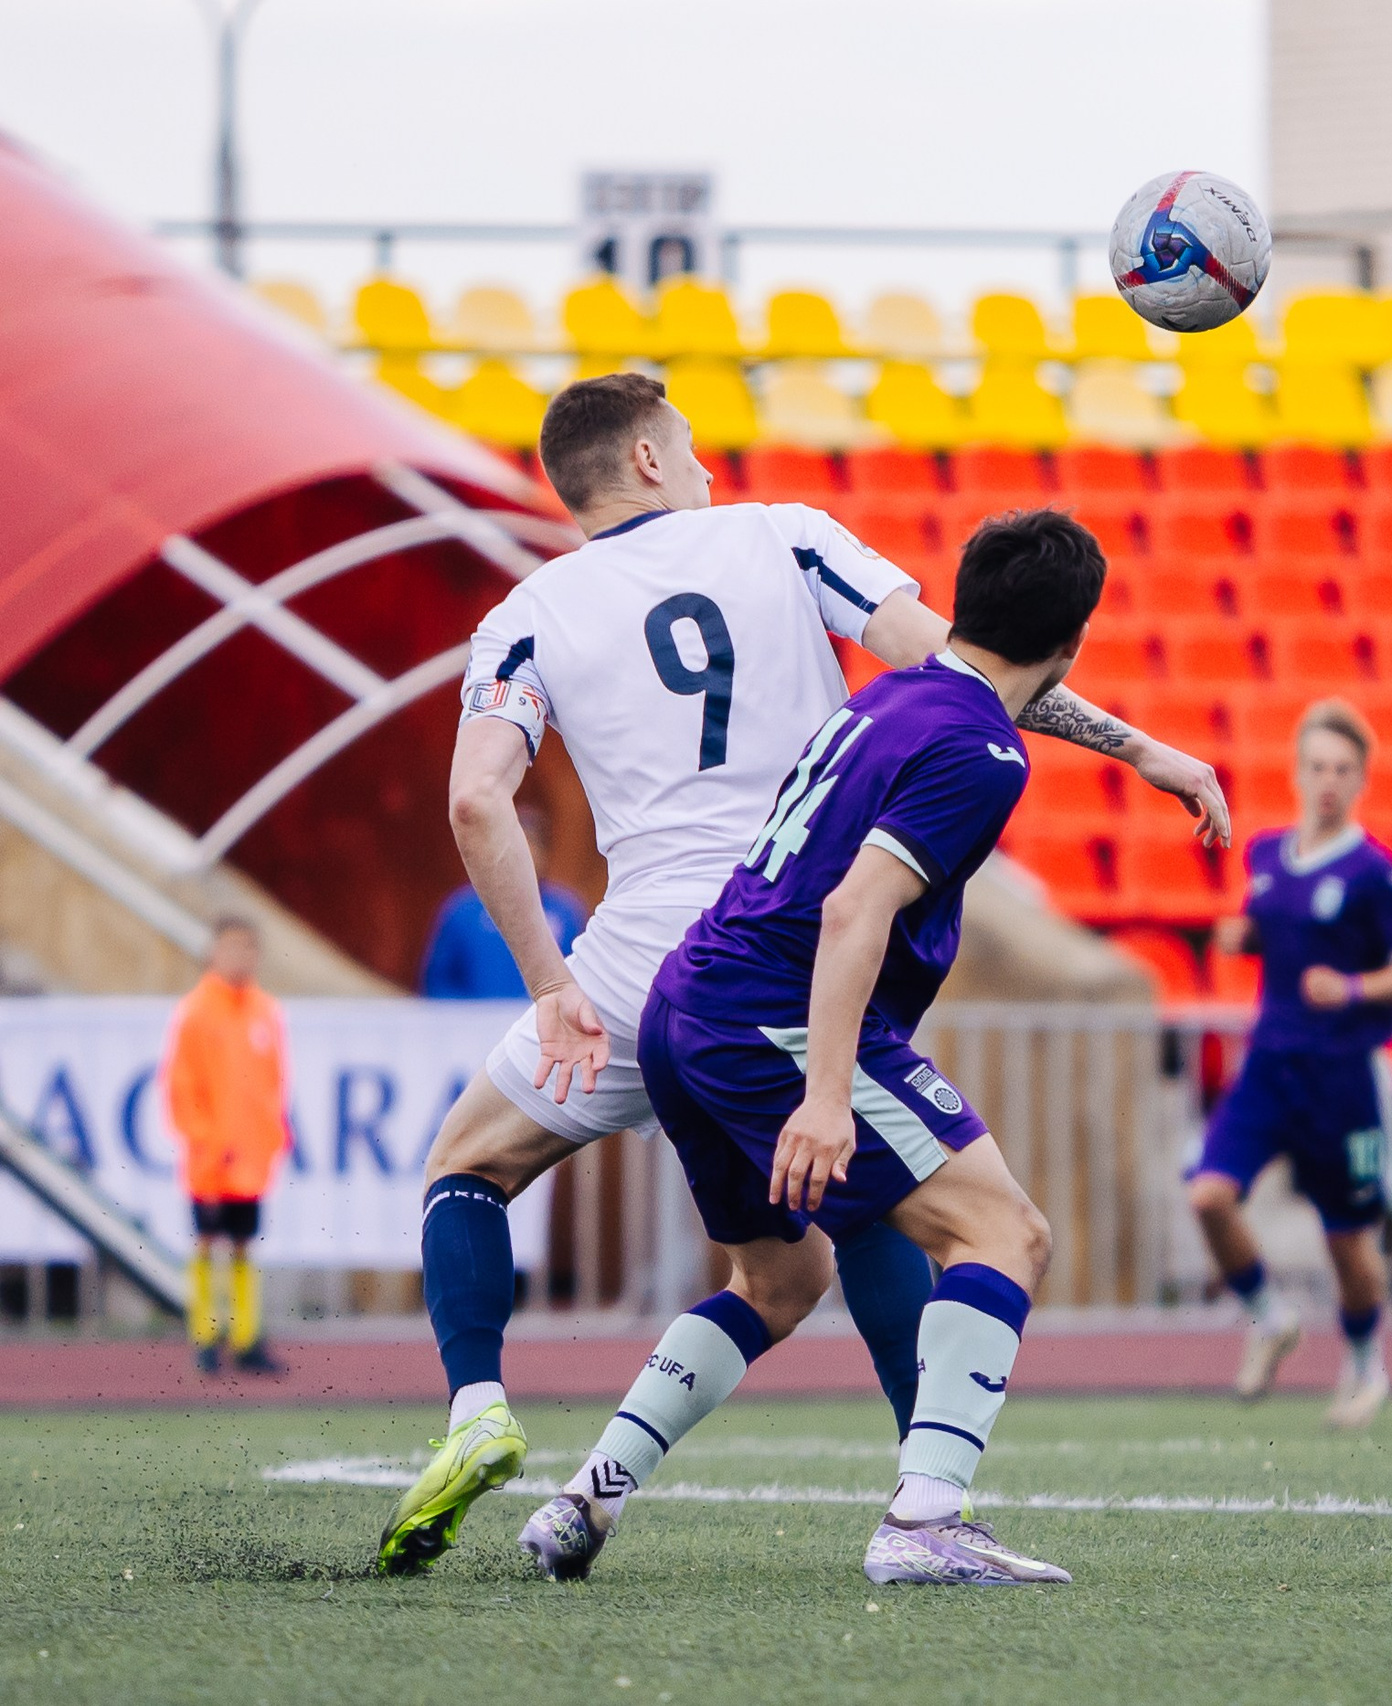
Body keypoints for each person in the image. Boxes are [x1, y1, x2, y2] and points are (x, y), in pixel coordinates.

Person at [377, 374, 1229, 1575]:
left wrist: (548, 979)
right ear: (653, 458)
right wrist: (1138, 744)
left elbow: (476, 798)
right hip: (791, 926)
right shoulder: (782, 535)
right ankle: (925, 1500)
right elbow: (963, 670)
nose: (712, 469)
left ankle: (483, 1412)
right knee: (911, 1207)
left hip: (636, 968)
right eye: (693, 450)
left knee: (476, 1169)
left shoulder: (526, 611)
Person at [517, 509, 1102, 1587]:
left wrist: (1149, 749)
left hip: (684, 1001)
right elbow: (854, 911)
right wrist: (826, 1094)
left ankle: (581, 1502)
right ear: (1072, 645)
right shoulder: (982, 750)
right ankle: (926, 1520)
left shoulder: (886, 696)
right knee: (1005, 1232)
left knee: (779, 1278)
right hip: (773, 1012)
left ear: (959, 603)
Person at [1189, 700, 1392, 1431]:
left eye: (1343, 769)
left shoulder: (1376, 875)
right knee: (1209, 1195)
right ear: (1298, 773)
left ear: (1360, 780)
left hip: (1343, 1075)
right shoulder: (1266, 854)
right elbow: (1279, 929)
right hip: (1271, 1063)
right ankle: (1269, 1316)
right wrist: (1247, 938)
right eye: (1318, 766)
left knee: (1346, 1239)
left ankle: (1365, 1365)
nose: (1328, 780)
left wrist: (1353, 987)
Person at [162, 917, 290, 1376]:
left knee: (242, 1244)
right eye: (231, 947)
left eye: (247, 948)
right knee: (205, 1242)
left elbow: (274, 1083)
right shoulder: (197, 1012)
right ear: (213, 954)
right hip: (211, 1157)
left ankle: (245, 1336)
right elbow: (182, 1086)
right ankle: (204, 1335)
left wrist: (273, 1137)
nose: (240, 957)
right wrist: (204, 1143)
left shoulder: (264, 1012)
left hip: (252, 1157)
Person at [418, 803, 585, 997]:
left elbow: (582, 975)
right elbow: (439, 981)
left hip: (541, 1021)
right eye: (518, 844)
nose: (527, 853)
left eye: (533, 844)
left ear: (546, 853)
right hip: (473, 1024)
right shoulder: (462, 910)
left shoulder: (567, 911)